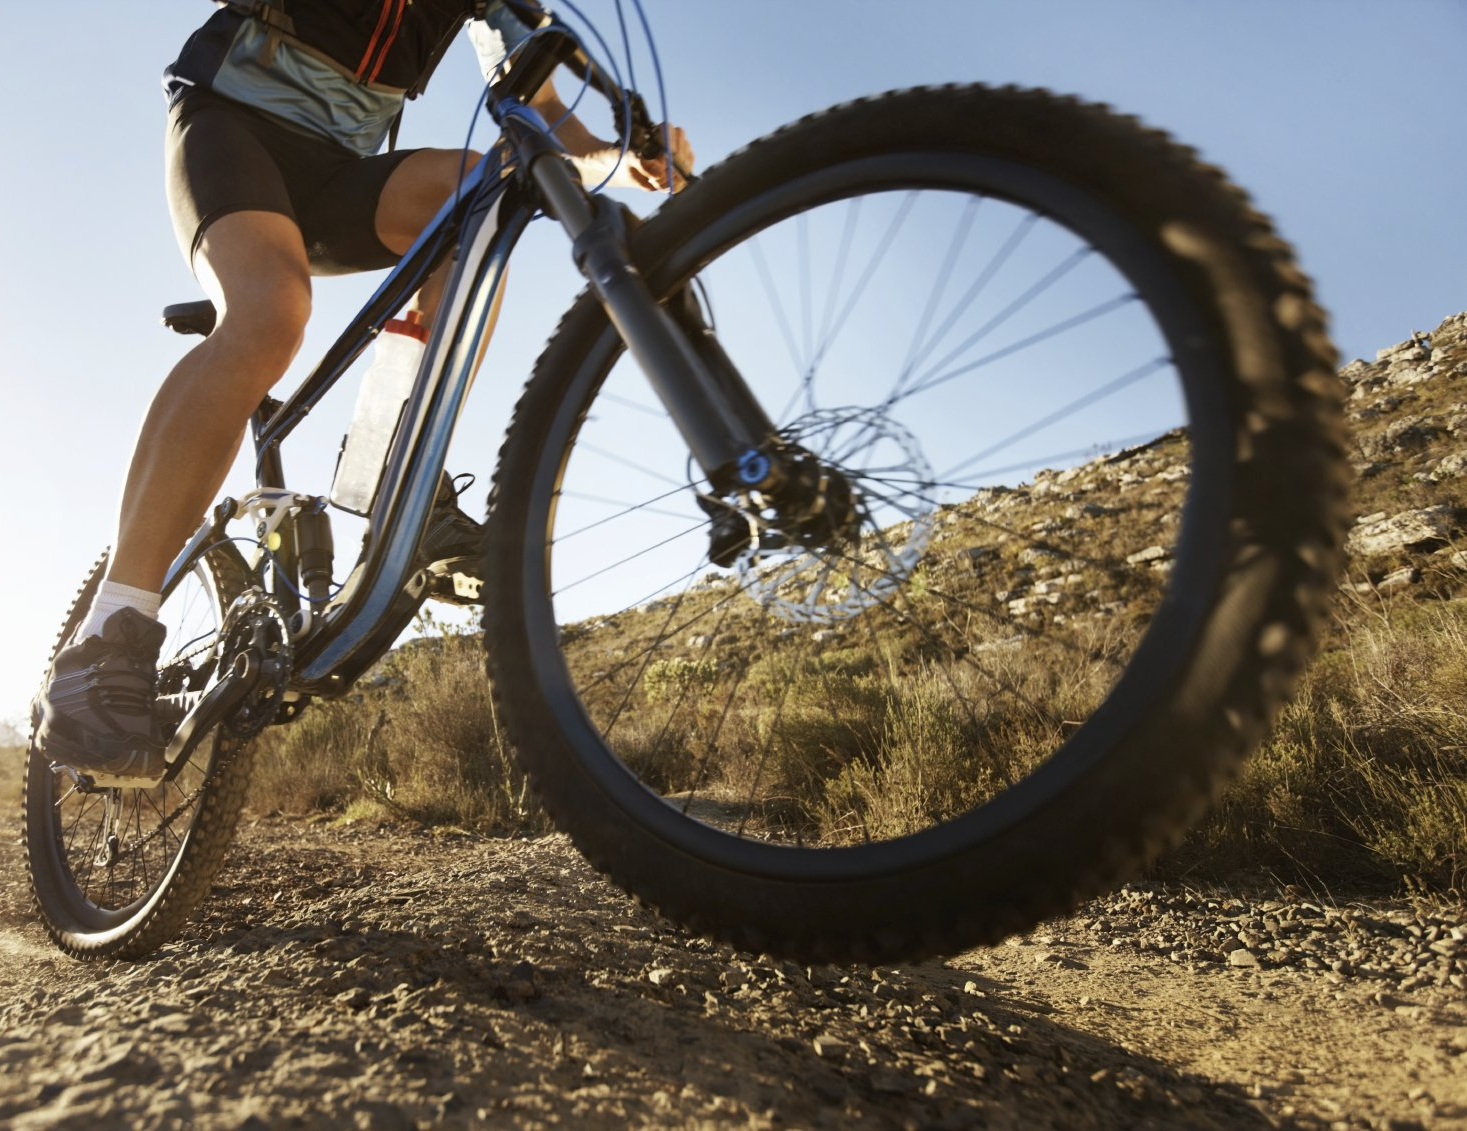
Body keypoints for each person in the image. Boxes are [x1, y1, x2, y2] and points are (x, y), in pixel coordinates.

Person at [33, 0, 693, 784]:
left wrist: (625, 153)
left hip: (341, 173)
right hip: (230, 125)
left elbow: (553, 125)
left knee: (482, 192)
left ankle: (397, 478)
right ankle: (110, 633)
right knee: (273, 314)